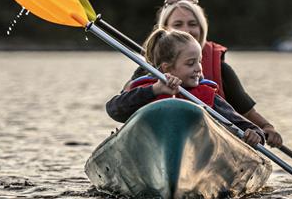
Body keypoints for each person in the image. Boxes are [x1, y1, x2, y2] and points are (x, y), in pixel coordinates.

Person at [153, 0, 285, 148]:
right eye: (178, 24)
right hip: (160, 140)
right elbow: (121, 105)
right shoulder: (150, 69)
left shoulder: (221, 70)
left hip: (210, 144)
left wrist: (267, 128)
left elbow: (247, 113)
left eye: (192, 24)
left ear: (201, 29)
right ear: (165, 30)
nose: (186, 30)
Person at [105, 28, 266, 146]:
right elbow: (113, 109)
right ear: (167, 68)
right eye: (190, 63)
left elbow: (244, 125)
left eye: (199, 61)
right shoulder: (148, 90)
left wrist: (255, 133)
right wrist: (155, 90)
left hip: (196, 154)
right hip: (149, 149)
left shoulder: (206, 95)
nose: (198, 68)